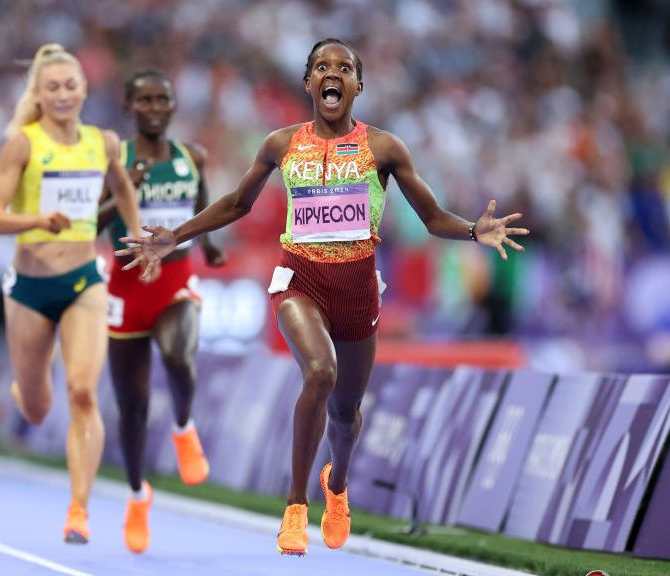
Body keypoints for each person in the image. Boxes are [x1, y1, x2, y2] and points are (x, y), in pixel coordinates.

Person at [118, 38, 529, 556]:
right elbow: (236, 203)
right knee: (319, 372)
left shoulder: (384, 148)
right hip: (300, 280)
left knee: (346, 413)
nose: (331, 74)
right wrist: (175, 236)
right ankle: (295, 507)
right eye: (320, 67)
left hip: (358, 290)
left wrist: (473, 231)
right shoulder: (280, 143)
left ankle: (337, 486)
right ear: (309, 83)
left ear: (358, 85)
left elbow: (430, 216)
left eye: (343, 68)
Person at [0, 43, 144, 544]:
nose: (63, 94)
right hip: (29, 288)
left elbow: (122, 188)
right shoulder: (23, 144)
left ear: (84, 89)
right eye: (52, 87)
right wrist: (36, 219)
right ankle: (24, 389)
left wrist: (136, 239)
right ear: (39, 94)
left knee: (82, 391)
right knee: (36, 407)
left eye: (70, 85)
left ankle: (79, 509)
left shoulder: (103, 142)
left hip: (82, 283)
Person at [97, 70, 224, 554]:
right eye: (144, 99)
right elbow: (90, 223)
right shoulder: (115, 159)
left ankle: (183, 427)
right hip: (126, 288)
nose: (154, 106)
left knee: (178, 355)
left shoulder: (192, 157)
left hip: (174, 278)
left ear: (173, 106)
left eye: (162, 99)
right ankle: (136, 495)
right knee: (131, 409)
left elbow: (204, 201)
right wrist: (120, 191)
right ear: (128, 106)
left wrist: (208, 244)